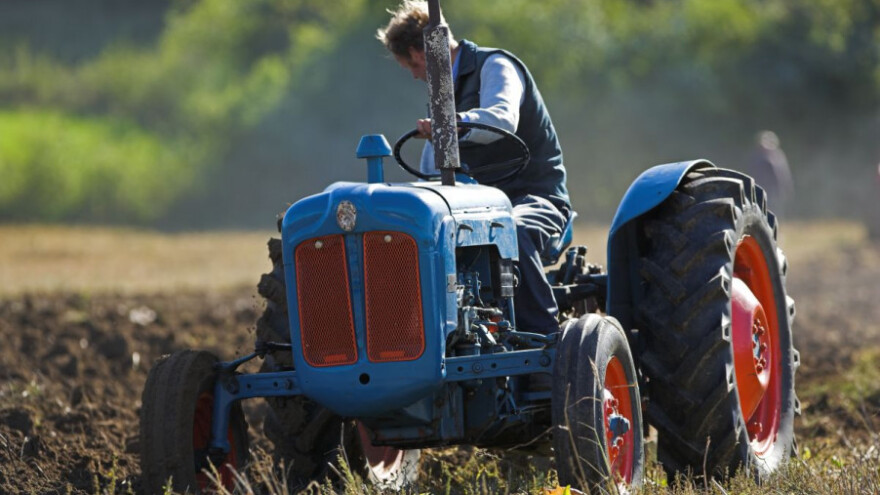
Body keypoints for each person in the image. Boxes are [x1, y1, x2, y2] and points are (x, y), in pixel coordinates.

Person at [377, 1, 571, 335]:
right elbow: (431, 176)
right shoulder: (443, 99)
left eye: (410, 65)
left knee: (511, 230)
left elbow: (502, 118)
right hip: (474, 213)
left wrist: (457, 122)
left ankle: (545, 341)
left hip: (533, 199)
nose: (414, 75)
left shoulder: (495, 66)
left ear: (419, 53)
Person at [746, 130, 795, 217]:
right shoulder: (756, 156)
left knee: (774, 211)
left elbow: (782, 174)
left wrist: (786, 188)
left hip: (773, 190)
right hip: (760, 188)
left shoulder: (777, 156)